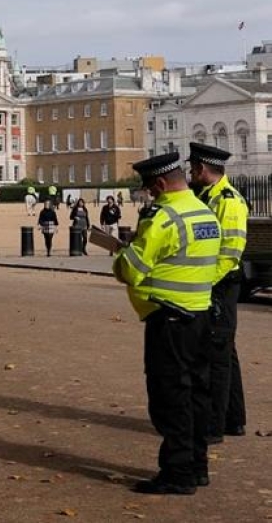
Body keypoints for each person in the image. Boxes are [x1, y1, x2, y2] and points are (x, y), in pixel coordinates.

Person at [112, 152, 219, 495]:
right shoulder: (205, 212)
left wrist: (120, 254)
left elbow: (131, 270)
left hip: (169, 318)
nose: (149, 195)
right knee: (198, 395)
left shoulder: (162, 217)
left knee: (169, 396)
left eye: (149, 188)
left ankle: (178, 472)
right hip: (201, 312)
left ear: (159, 183)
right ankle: (197, 465)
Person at [187, 142, 249, 444]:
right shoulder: (206, 196)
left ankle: (214, 423)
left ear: (202, 169)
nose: (189, 172)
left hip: (220, 283)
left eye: (192, 168)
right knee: (225, 352)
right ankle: (233, 418)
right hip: (214, 282)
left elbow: (230, 252)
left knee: (216, 356)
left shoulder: (228, 201)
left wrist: (203, 282)